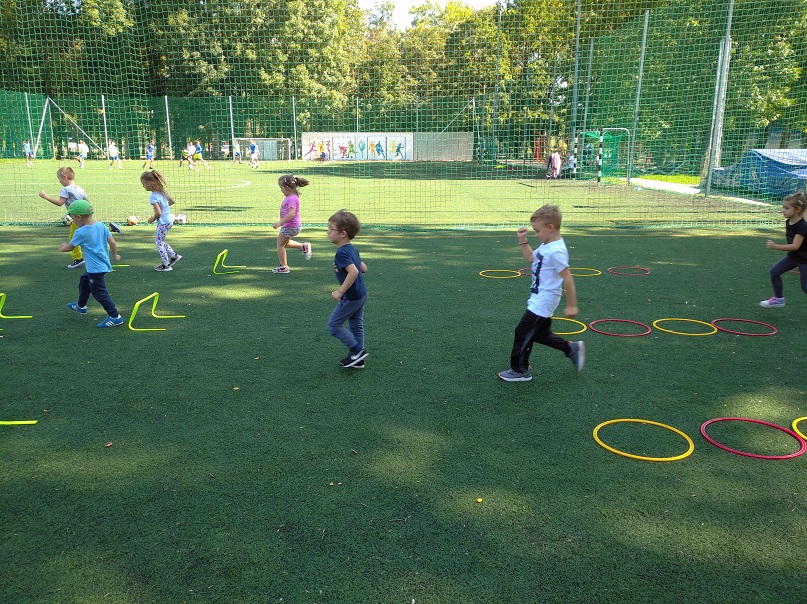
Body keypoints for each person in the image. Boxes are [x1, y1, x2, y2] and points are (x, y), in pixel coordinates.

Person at [498, 204, 584, 382]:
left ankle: (520, 370)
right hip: (539, 297)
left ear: (550, 227)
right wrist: (523, 240)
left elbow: (567, 278)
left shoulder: (557, 251)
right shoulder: (547, 245)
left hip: (544, 300)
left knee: (522, 331)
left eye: (537, 231)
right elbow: (530, 258)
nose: (536, 235)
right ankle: (571, 349)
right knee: (539, 334)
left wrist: (572, 305)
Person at [58, 200, 124, 328]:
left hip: (95, 269)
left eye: (72, 218)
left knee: (100, 294)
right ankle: (81, 306)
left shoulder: (81, 232)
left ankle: (115, 317)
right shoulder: (101, 226)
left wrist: (61, 248)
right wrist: (115, 255)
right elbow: (112, 242)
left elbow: (70, 247)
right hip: (102, 265)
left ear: (79, 217)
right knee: (84, 280)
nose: (72, 221)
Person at [327, 209, 368, 369]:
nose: (328, 232)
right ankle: (358, 359)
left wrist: (340, 291)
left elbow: (355, 271)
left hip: (351, 297)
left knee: (333, 325)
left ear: (343, 233)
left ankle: (357, 351)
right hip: (361, 294)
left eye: (331, 229)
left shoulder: (341, 253)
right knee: (355, 324)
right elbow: (363, 267)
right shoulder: (352, 249)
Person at [760, 192, 807, 307]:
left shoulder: (802, 226)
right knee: (774, 272)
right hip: (794, 257)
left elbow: (795, 246)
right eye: (783, 208)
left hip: (805, 260)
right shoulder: (789, 221)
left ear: (797, 210)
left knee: (805, 286)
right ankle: (779, 299)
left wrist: (775, 246)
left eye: (787, 208)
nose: (783, 211)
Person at [39, 167, 89, 269]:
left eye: (59, 179)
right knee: (90, 230)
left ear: (65, 177)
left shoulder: (65, 190)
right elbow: (87, 202)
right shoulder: (80, 188)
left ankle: (78, 258)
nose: (59, 181)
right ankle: (110, 228)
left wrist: (45, 196)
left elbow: (59, 203)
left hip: (77, 217)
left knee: (74, 237)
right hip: (83, 215)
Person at [141, 170, 182, 272]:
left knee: (158, 242)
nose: (143, 186)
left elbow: (158, 213)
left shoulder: (153, 197)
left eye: (143, 184)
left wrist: (152, 219)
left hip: (163, 222)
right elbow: (172, 201)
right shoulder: (162, 191)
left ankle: (166, 265)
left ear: (149, 184)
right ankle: (174, 256)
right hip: (169, 220)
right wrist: (165, 207)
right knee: (160, 240)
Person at [271, 174, 312, 273]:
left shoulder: (291, 199)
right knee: (284, 243)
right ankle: (303, 246)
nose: (281, 190)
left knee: (280, 245)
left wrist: (279, 223)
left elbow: (291, 213)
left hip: (290, 226)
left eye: (281, 188)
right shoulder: (292, 197)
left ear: (287, 187)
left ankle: (284, 267)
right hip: (293, 226)